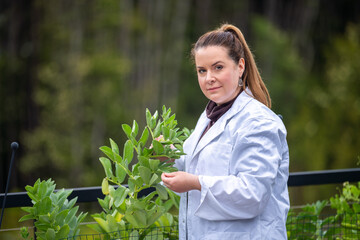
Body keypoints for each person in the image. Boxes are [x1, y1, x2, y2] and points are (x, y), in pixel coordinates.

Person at [161, 23, 290, 240]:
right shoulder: (210, 115)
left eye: (218, 67)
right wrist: (169, 155)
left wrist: (195, 183)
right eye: (202, 71)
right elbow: (198, 167)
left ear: (240, 66)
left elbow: (253, 194)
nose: (208, 77)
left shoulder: (258, 122)